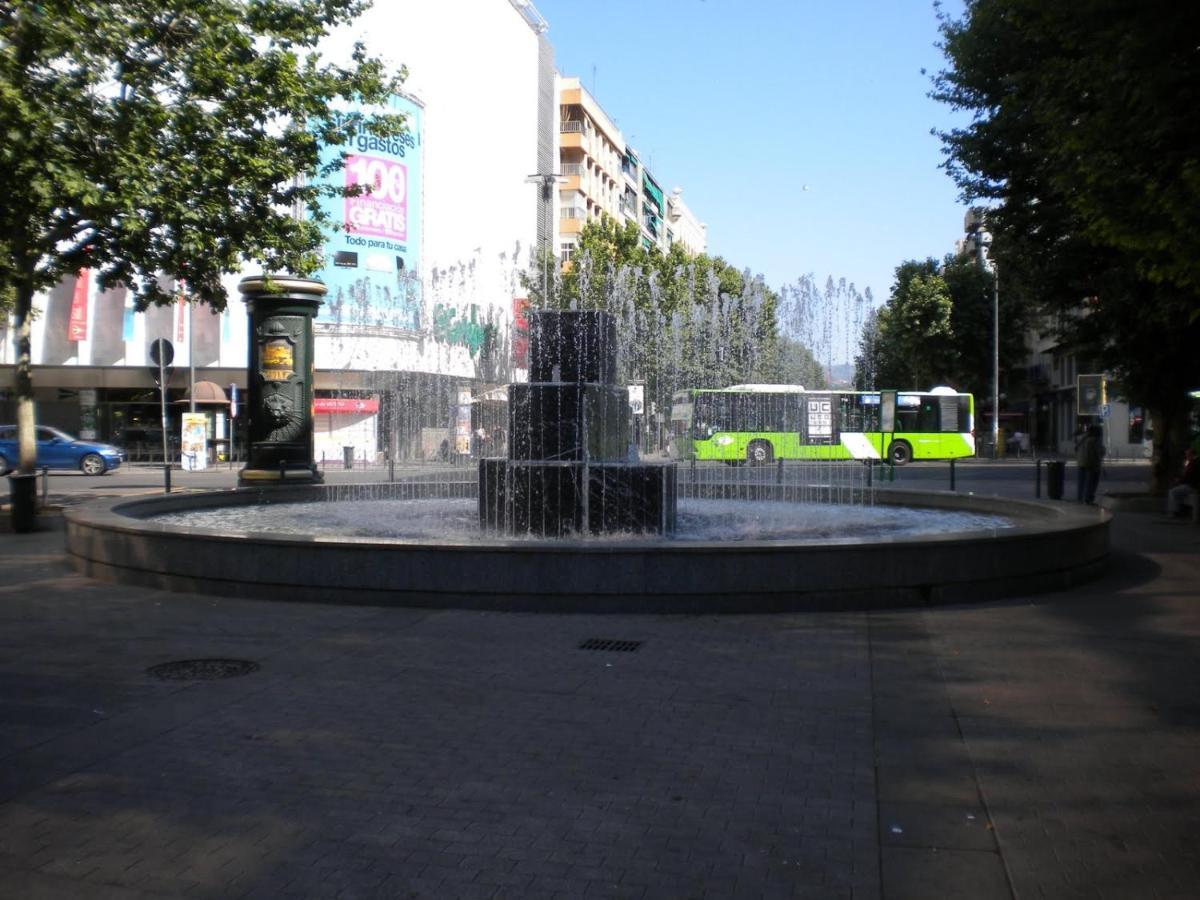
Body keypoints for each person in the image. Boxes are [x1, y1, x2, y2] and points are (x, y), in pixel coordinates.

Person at [1166, 447, 1200, 520]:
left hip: (1192, 486)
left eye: (1188, 455)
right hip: (1191, 485)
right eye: (1186, 455)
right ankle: (1179, 510)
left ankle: (1173, 512)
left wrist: (1179, 480)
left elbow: (1188, 476)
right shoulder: (1193, 462)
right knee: (1176, 490)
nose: (1186, 457)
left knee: (1172, 492)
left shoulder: (1194, 463)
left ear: (1192, 455)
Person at [1075, 423, 1104, 504]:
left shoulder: (1080, 438)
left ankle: (1080, 498)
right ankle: (1088, 499)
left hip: (1081, 463)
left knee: (1082, 482)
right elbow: (1097, 453)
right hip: (1091, 464)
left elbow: (1077, 449)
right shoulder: (1094, 440)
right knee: (1091, 483)